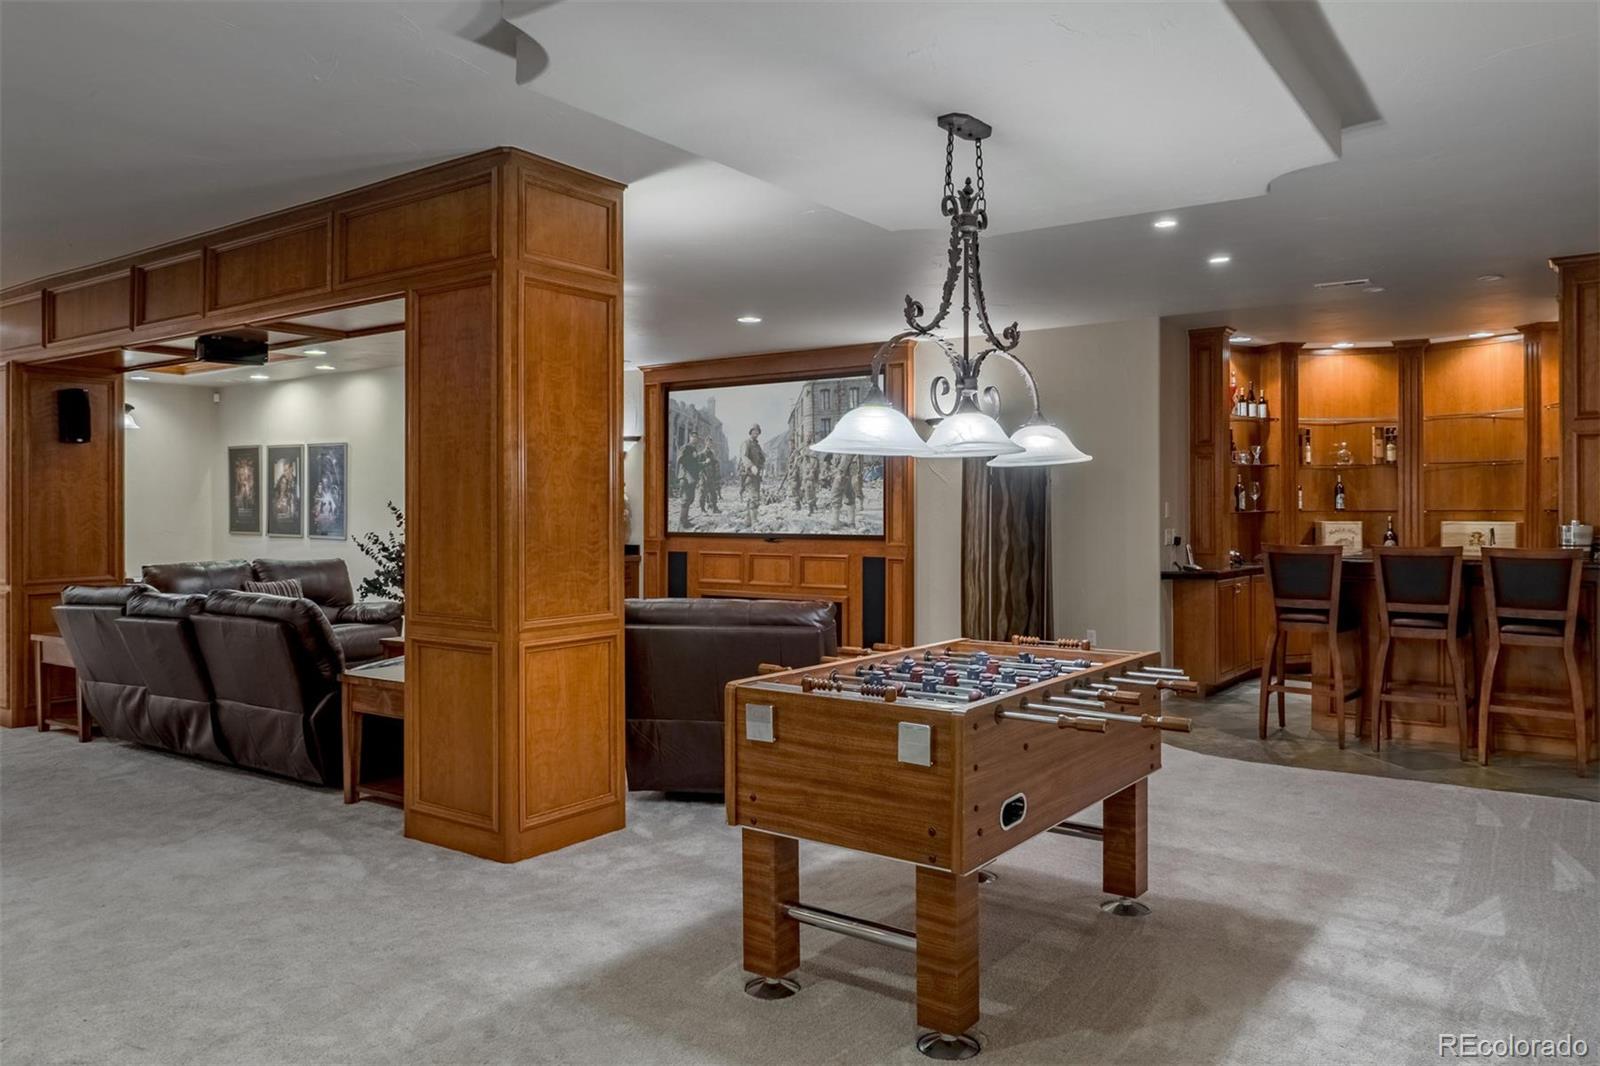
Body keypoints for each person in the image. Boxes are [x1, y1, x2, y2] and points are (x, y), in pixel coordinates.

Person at [676, 431, 704, 526]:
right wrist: (691, 457)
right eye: (693, 437)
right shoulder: (686, 447)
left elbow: (695, 465)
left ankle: (685, 520)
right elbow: (680, 459)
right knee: (686, 499)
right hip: (685, 477)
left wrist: (704, 463)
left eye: (696, 437)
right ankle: (682, 522)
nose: (695, 439)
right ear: (690, 438)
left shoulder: (694, 449)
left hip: (692, 478)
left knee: (690, 499)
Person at [739, 424, 765, 524]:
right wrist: (751, 466)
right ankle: (754, 520)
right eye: (754, 431)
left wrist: (761, 466)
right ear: (751, 432)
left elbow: (762, 458)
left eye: (758, 431)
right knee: (754, 497)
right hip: (749, 474)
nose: (756, 433)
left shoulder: (757, 446)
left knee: (752, 497)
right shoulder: (746, 443)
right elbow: (744, 457)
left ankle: (748, 520)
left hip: (756, 475)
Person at [831, 451, 861, 530]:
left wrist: (840, 472)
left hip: (843, 474)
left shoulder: (845, 449)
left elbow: (845, 458)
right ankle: (851, 522)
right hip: (849, 474)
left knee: (835, 495)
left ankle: (835, 522)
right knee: (849, 495)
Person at [698, 439, 721, 514]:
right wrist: (705, 463)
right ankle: (702, 509)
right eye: (708, 443)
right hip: (704, 476)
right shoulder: (702, 454)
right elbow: (698, 465)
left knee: (713, 493)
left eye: (711, 443)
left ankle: (714, 508)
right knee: (703, 493)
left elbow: (714, 464)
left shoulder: (712, 454)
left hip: (711, 476)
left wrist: (716, 463)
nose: (710, 444)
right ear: (706, 443)